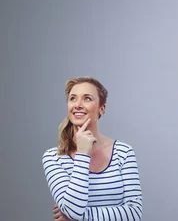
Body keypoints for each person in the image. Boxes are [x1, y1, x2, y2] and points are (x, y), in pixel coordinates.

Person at [42, 76, 143, 221]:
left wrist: (79, 218)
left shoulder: (124, 152)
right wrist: (83, 154)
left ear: (102, 109)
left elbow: (134, 214)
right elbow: (73, 209)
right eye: (73, 99)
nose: (77, 104)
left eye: (87, 98)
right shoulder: (53, 157)